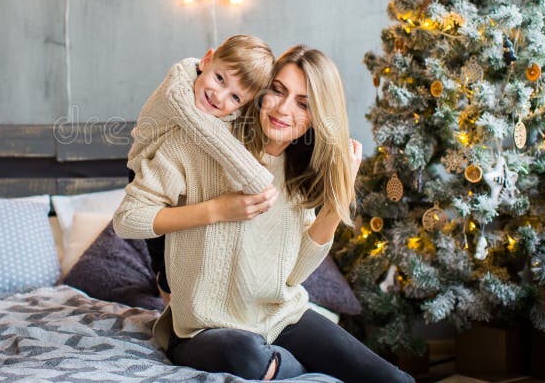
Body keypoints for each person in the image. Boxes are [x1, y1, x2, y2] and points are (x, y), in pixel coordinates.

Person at [114, 45, 414, 382]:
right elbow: (128, 219)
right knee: (247, 354)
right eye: (278, 90)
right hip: (202, 329)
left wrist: (337, 198)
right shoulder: (199, 140)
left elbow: (293, 276)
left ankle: (283, 365)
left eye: (303, 103)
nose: (283, 109)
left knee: (395, 380)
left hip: (281, 316)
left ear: (318, 116)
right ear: (260, 90)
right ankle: (292, 368)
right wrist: (216, 210)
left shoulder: (301, 170)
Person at [126, 34, 278, 299]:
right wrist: (259, 181)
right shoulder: (178, 88)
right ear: (207, 60)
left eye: (234, 98)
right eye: (219, 78)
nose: (218, 96)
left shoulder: (221, 109)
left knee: (187, 249)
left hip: (179, 175)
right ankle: (167, 300)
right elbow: (208, 133)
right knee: (163, 257)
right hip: (144, 166)